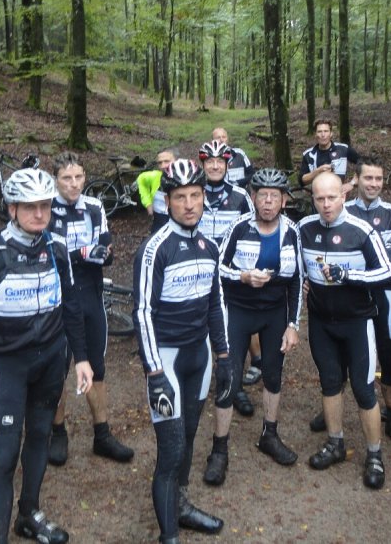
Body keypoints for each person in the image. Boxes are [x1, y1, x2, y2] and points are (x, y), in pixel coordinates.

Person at [0, 168, 93, 544]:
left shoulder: (58, 248)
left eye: (45, 206)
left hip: (50, 361)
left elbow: (71, 306)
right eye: (30, 206)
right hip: (7, 366)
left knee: (40, 436)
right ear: (12, 209)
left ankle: (29, 513)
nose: (39, 214)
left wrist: (82, 358)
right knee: (3, 457)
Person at [134, 159, 232, 544]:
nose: (189, 204)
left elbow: (215, 305)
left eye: (195, 195)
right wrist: (154, 373)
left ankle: (182, 504)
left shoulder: (209, 247)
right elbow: (142, 313)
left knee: (189, 436)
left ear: (204, 197)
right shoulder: (154, 249)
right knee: (171, 449)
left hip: (199, 358)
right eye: (180, 197)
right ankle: (169, 535)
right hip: (167, 361)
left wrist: (224, 357)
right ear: (167, 201)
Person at [202, 168, 303, 486]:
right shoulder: (239, 227)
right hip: (239, 310)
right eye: (262, 196)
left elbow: (297, 281)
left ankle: (269, 435)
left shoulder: (292, 231)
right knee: (228, 377)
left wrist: (293, 324)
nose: (268, 202)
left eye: (275, 196)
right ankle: (219, 450)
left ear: (284, 201)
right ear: (253, 198)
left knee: (273, 374)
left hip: (274, 313)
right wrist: (242, 276)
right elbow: (218, 269)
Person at [299, 172, 391, 490]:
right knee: (329, 383)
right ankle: (335, 442)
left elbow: (386, 272)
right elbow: (297, 267)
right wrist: (304, 281)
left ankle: (374, 454)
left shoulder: (362, 230)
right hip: (321, 322)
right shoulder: (304, 228)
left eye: (332, 197)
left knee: (363, 390)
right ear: (313, 200)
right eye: (320, 199)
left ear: (343, 196)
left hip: (357, 322)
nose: (326, 205)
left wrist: (349, 276)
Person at [46, 152, 133, 466]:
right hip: (57, 297)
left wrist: (101, 254)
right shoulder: (45, 208)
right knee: (57, 369)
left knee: (96, 365)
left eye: (79, 177)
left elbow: (107, 250)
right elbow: (45, 254)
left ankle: (102, 434)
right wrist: (82, 253)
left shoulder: (95, 207)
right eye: (66, 178)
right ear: (56, 180)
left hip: (90, 294)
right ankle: (58, 432)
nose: (73, 184)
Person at [336, 155, 391, 447]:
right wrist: (378, 256)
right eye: (368, 178)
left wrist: (356, 258)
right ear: (357, 180)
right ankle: (333, 409)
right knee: (342, 356)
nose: (374, 184)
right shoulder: (342, 210)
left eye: (379, 179)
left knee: (389, 356)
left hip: (385, 293)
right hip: (351, 295)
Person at [196, 139, 256, 416]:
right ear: (203, 165)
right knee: (200, 327)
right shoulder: (194, 193)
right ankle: (200, 380)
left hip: (231, 275)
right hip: (199, 272)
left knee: (231, 332)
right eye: (210, 161)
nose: (215, 166)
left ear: (227, 165)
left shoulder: (240, 196)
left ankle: (235, 385)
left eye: (220, 161)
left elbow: (252, 231)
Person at [299, 119, 359, 194]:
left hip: (338, 197)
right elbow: (302, 181)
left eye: (326, 131)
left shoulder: (343, 149)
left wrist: (352, 183)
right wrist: (318, 171)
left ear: (331, 133)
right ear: (315, 134)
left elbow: (364, 163)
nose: (323, 135)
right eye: (319, 131)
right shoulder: (308, 154)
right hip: (318, 198)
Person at [139, 149, 177, 232]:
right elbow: (141, 179)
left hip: (179, 225)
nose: (163, 166)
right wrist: (147, 203)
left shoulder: (185, 178)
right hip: (158, 225)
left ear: (176, 161)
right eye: (160, 163)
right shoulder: (155, 176)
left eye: (167, 161)